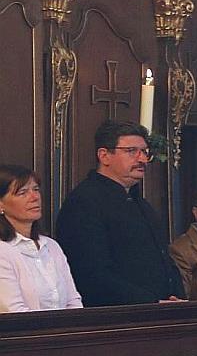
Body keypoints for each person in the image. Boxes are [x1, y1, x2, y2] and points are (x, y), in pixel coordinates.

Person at [55, 121, 184, 307]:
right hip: (117, 318)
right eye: (131, 151)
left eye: (144, 152)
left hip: (159, 313)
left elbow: (164, 259)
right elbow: (91, 273)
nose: (142, 159)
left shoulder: (141, 204)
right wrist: (150, 302)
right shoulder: (84, 203)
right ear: (104, 156)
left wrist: (175, 296)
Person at [0, 165, 82, 313]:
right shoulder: (3, 251)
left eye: (36, 189)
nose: (34, 197)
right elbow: (12, 311)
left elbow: (73, 300)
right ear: (1, 204)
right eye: (22, 193)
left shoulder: (51, 246)